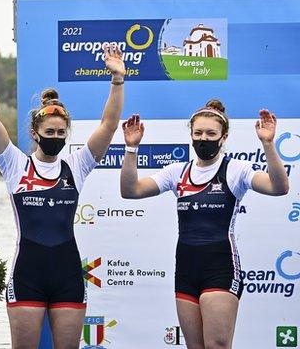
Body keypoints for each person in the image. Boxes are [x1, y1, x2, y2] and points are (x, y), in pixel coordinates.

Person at [0, 38, 125, 348]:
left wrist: (118, 79)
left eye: (60, 133)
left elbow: (109, 126)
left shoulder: (76, 166)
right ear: (35, 134)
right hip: (27, 275)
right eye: (49, 132)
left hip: (68, 276)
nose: (55, 137)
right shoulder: (16, 165)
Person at [120, 102, 289, 349]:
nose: (203, 139)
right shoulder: (177, 172)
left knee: (217, 345)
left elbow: (279, 188)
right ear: (191, 135)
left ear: (224, 137)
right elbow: (130, 191)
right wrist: (131, 148)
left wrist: (267, 144)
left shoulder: (235, 169)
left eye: (211, 134)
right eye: (198, 133)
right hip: (187, 269)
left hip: (220, 267)